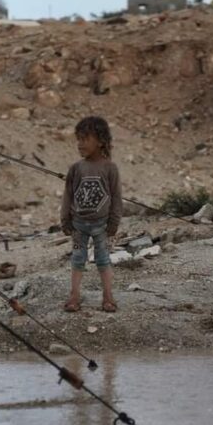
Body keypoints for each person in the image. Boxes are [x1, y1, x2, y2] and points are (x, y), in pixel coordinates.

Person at [61, 116, 122, 313]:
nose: (80, 144)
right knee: (78, 258)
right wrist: (65, 219)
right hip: (78, 227)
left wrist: (114, 223)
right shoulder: (76, 168)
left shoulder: (110, 168)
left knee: (103, 260)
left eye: (85, 139)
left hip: (101, 227)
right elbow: (68, 195)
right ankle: (74, 296)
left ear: (101, 141)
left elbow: (116, 197)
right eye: (78, 139)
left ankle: (108, 297)